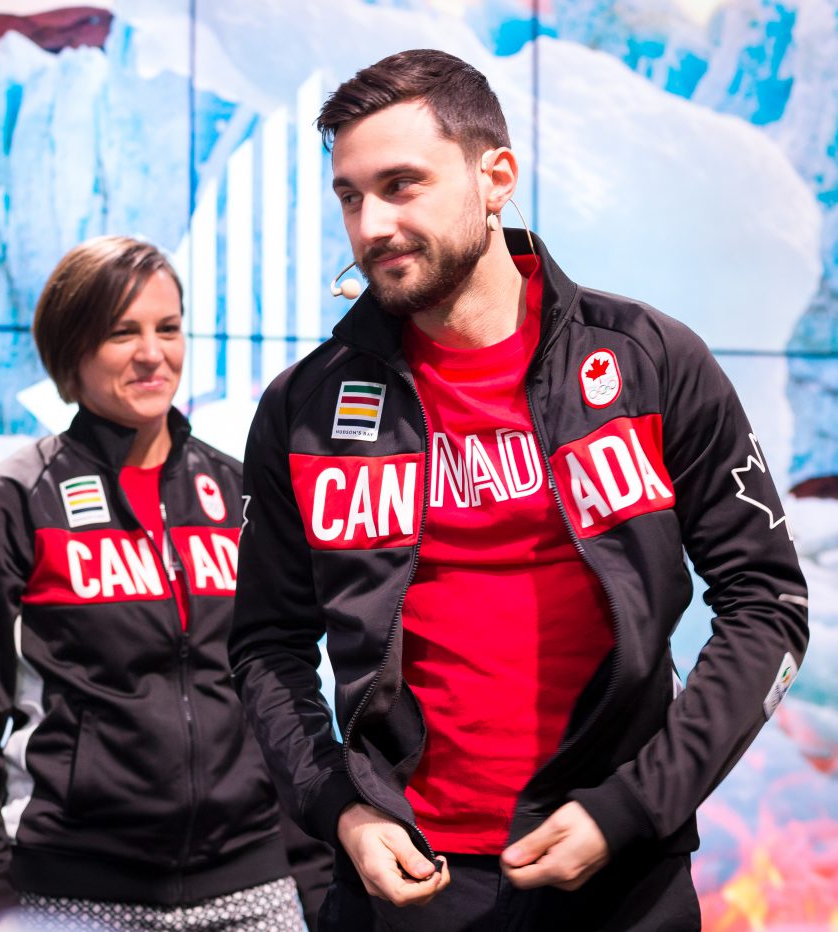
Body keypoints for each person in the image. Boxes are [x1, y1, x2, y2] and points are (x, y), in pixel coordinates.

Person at [228, 49, 809, 931]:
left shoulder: (652, 362)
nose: (372, 223)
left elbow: (766, 604)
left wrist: (636, 806)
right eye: (351, 195)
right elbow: (266, 648)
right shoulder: (302, 410)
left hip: (623, 878)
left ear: (495, 176)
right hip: (406, 883)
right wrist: (338, 809)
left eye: (402, 184)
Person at [0, 235, 330, 932]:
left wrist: (318, 884)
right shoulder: (11, 501)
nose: (153, 354)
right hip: (73, 895)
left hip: (253, 889)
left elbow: (278, 698)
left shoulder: (237, 492)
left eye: (167, 328)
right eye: (123, 332)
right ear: (70, 349)